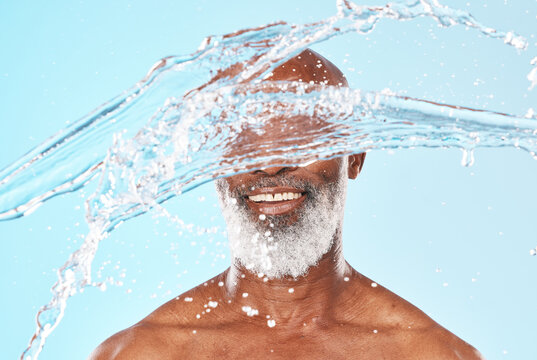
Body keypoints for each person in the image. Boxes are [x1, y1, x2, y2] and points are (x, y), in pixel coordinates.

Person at [89, 49, 484, 359]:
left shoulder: (431, 355)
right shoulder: (142, 354)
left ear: (355, 153)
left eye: (301, 135)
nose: (271, 163)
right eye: (242, 138)